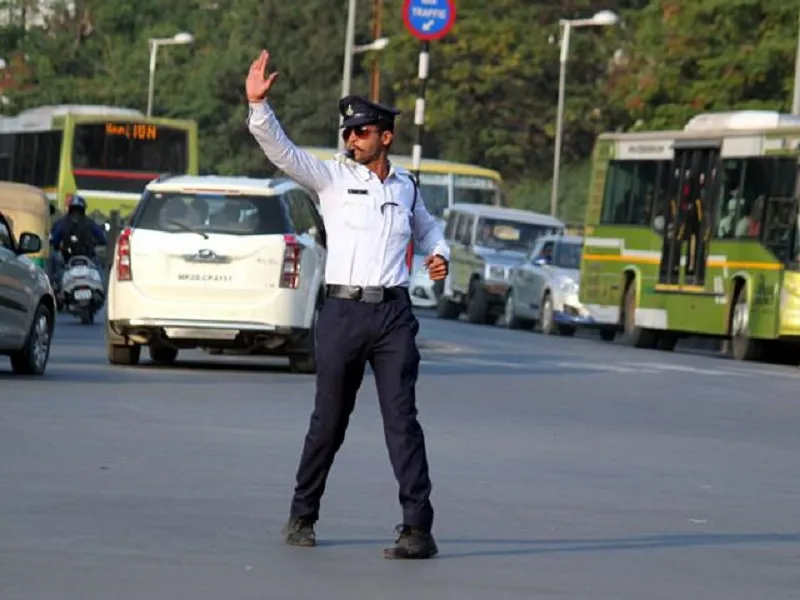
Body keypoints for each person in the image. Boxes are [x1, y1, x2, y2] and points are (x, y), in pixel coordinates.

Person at [246, 50, 449, 560]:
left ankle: (417, 529)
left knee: (403, 421)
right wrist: (258, 107)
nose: (351, 139)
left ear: (385, 136)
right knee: (328, 421)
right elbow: (284, 153)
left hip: (393, 316)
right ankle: (303, 513)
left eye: (361, 132)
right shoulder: (332, 179)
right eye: (348, 133)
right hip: (343, 314)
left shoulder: (405, 186)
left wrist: (440, 254)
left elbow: (429, 230)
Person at [50, 194, 107, 264]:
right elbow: (103, 240)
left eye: (77, 210)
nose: (76, 214)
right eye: (75, 210)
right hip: (78, 261)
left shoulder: (61, 223)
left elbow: (54, 241)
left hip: (69, 262)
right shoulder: (90, 223)